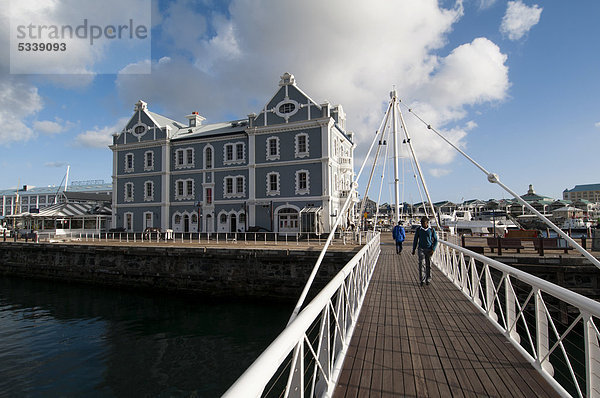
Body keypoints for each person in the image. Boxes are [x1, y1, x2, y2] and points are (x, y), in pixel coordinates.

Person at [412, 216, 438, 286]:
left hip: (429, 249)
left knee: (428, 264)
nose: (422, 224)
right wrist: (414, 249)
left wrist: (433, 249)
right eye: (421, 223)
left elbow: (436, 240)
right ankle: (422, 280)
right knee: (421, 264)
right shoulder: (418, 230)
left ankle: (428, 279)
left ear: (427, 223)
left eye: (424, 223)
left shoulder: (431, 230)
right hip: (421, 249)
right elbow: (415, 240)